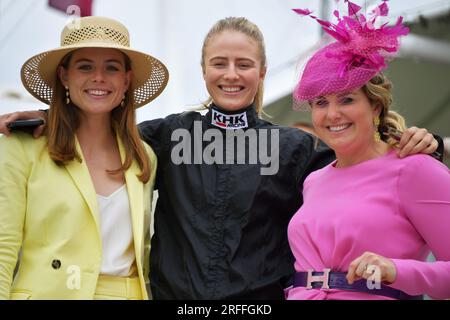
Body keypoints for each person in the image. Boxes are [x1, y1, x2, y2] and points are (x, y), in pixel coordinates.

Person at [0, 17, 440, 300]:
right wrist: (40, 116)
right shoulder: (166, 134)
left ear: (262, 73)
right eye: (219, 63)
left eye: (244, 64)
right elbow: (100, 123)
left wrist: (430, 141)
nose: (231, 74)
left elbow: (363, 157)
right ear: (204, 70)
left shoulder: (295, 148)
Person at [287, 1, 450, 300]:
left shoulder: (414, 169)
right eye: (321, 103)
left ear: (375, 106)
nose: (332, 114)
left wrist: (396, 270)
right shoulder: (314, 181)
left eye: (346, 99)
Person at [0, 16, 168, 299]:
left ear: (127, 80)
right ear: (64, 76)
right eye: (85, 66)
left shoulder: (144, 156)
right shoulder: (23, 146)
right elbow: (3, 246)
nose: (99, 78)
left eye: (112, 68)